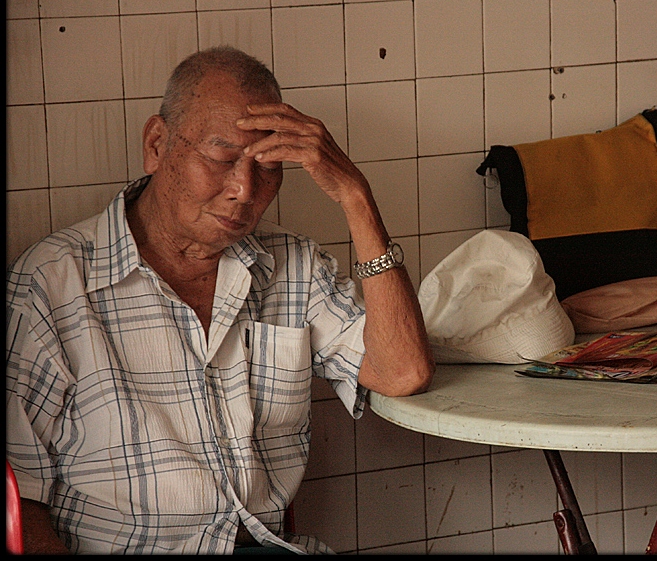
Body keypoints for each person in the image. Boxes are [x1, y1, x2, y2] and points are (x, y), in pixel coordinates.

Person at [6, 46, 435, 555]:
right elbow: (19, 501)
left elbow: (403, 372)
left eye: (269, 167)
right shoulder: (53, 284)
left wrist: (356, 198)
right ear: (157, 144)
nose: (244, 189)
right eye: (221, 156)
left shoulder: (292, 267)